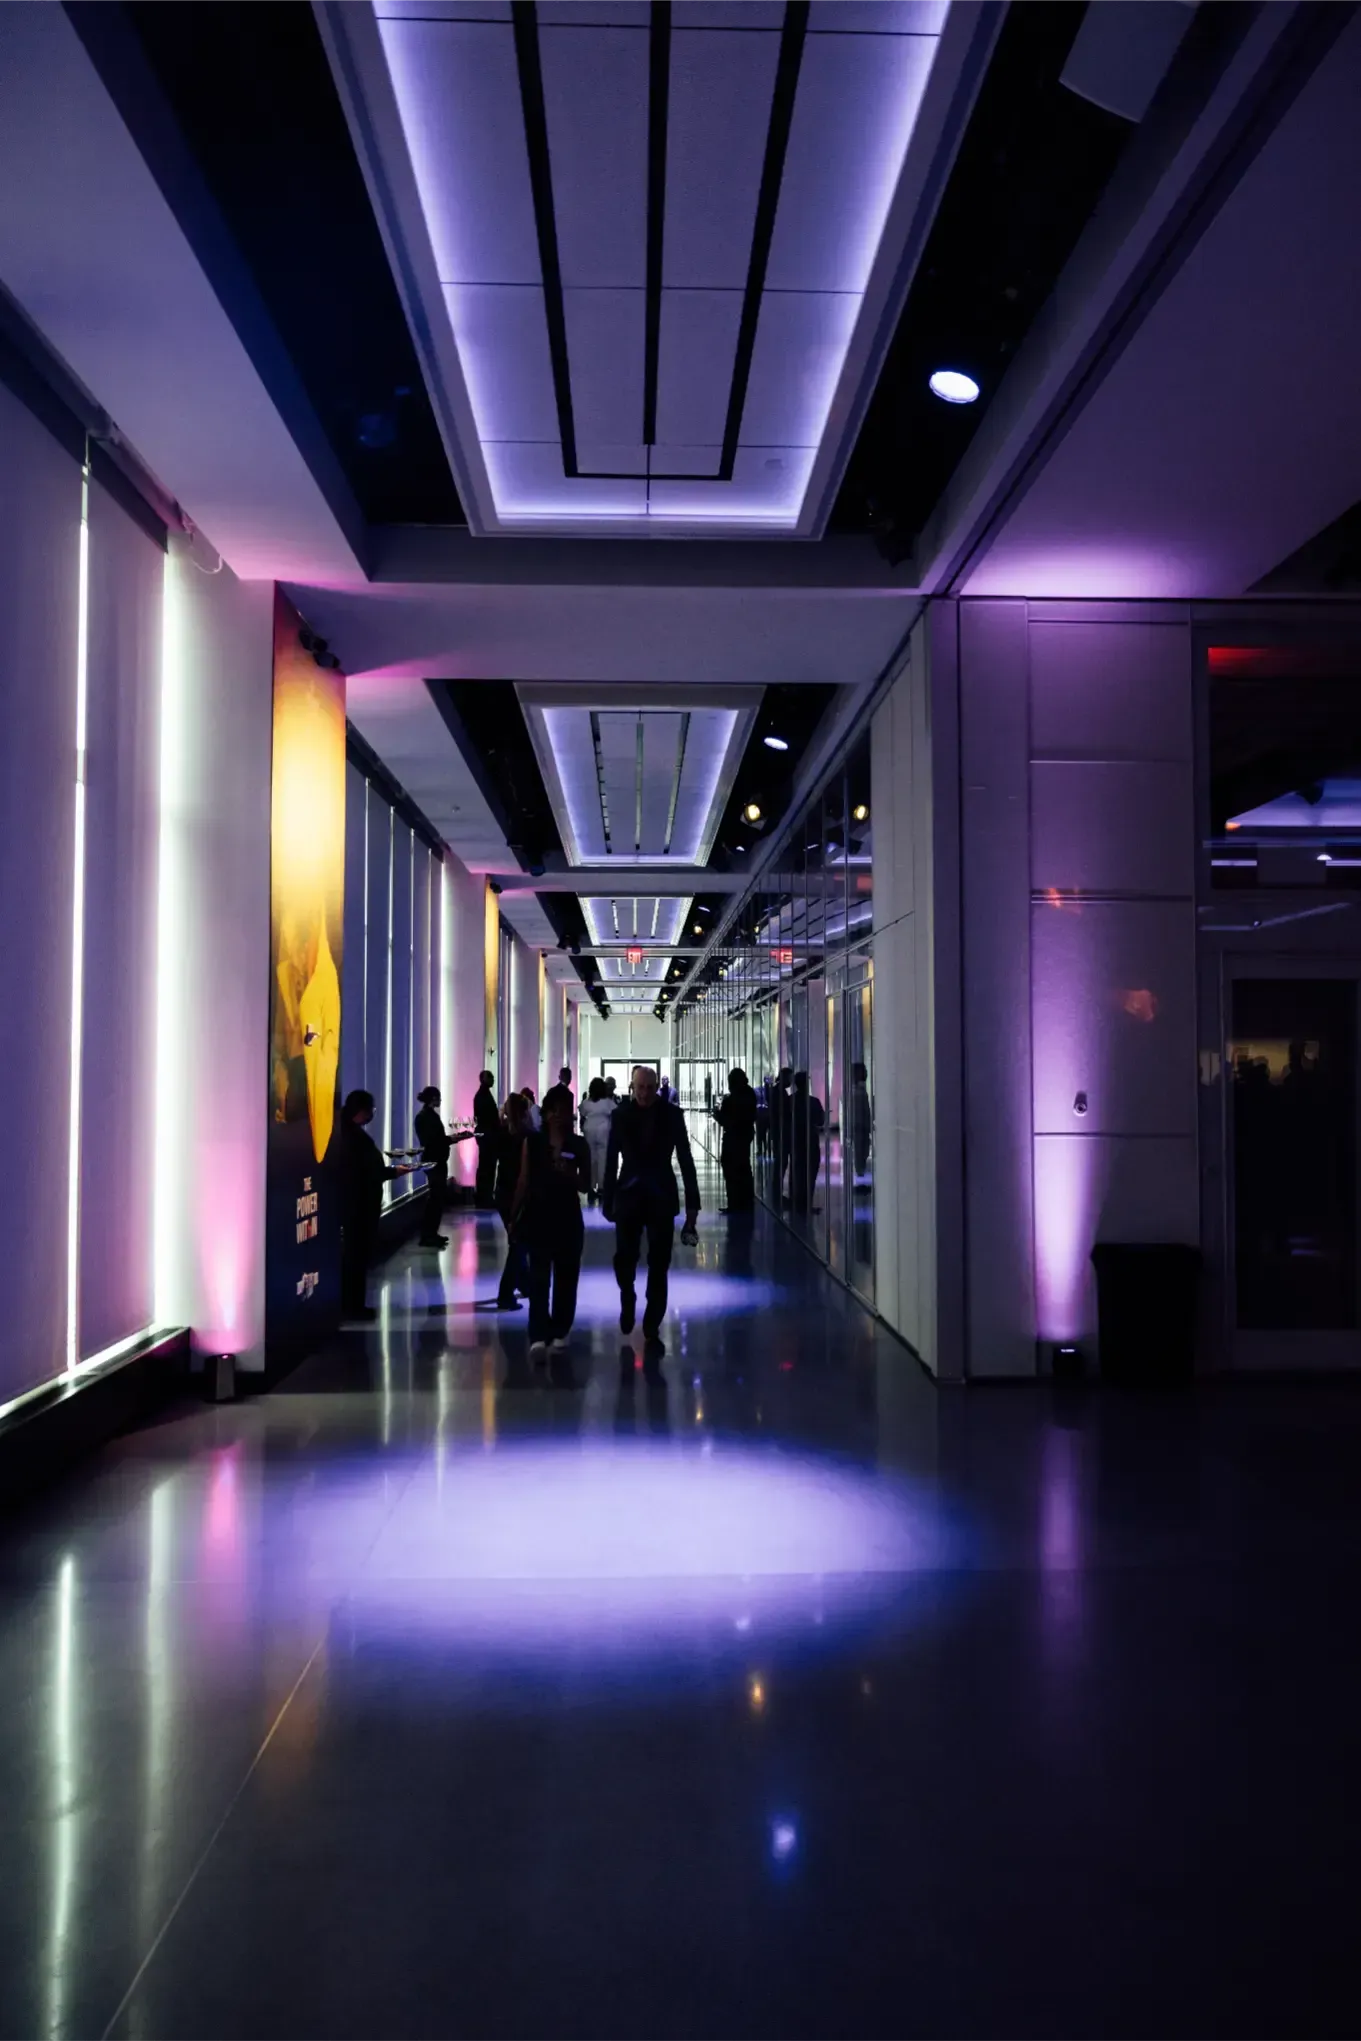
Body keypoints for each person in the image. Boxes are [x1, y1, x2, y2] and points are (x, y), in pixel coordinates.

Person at [602, 1063, 700, 1351]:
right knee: (625, 1257)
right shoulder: (620, 1115)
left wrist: (692, 1203)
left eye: (649, 1087)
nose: (644, 1093)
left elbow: (685, 1158)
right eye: (639, 1087)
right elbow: (610, 1161)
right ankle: (628, 1295)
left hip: (660, 1196)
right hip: (629, 1195)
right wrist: (608, 1199)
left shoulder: (672, 1116)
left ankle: (652, 1324)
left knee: (660, 1262)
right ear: (631, 1087)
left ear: (657, 1087)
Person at [514, 1083, 590, 1359]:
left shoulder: (579, 1144)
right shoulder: (533, 1143)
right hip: (539, 1217)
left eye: (566, 1111)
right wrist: (514, 1216)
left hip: (568, 1219)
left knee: (566, 1279)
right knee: (539, 1278)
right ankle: (538, 1333)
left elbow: (586, 1185)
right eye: (555, 1111)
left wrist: (570, 1172)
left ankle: (560, 1328)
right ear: (546, 1113)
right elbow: (523, 1180)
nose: (560, 1116)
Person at [339, 1090, 413, 1320]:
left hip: (354, 1206)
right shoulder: (353, 1138)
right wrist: (394, 1172)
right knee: (356, 1259)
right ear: (362, 1111)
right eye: (371, 1110)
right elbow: (369, 1172)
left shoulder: (345, 1133)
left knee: (355, 1258)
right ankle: (353, 1307)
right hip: (358, 1208)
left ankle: (352, 1305)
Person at [412, 1085, 469, 1249]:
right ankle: (428, 1234)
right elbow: (434, 1141)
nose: (440, 1100)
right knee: (435, 1199)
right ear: (433, 1099)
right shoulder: (426, 1117)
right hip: (434, 1161)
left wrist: (451, 1139)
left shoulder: (425, 1116)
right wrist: (452, 1139)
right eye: (438, 1098)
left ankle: (431, 1233)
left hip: (434, 1160)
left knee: (436, 1198)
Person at [494, 1094, 532, 1308]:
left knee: (517, 1239)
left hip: (502, 1191)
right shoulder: (525, 1136)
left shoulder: (503, 1133)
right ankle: (505, 1293)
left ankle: (525, 1284)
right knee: (519, 1244)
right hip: (516, 1192)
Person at [715, 1067, 757, 1215]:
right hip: (745, 1135)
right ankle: (746, 1201)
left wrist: (717, 1114)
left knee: (731, 1169)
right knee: (744, 1167)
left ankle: (734, 1203)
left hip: (733, 1137)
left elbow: (726, 1121)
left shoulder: (732, 1099)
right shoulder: (750, 1093)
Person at [789, 1070, 825, 1216]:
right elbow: (821, 1120)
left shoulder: (790, 1100)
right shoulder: (813, 1102)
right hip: (810, 1140)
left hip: (796, 1140)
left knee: (797, 1172)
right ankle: (806, 1204)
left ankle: (796, 1203)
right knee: (809, 1173)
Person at [580, 1076, 616, 1205]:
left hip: (589, 1130)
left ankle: (590, 1188)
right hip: (604, 1131)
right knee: (603, 1160)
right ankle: (601, 1187)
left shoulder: (587, 1103)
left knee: (591, 1160)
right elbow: (615, 1111)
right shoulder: (607, 1102)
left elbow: (582, 1113)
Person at [472, 1070, 500, 1207]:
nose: (493, 1080)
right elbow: (487, 1117)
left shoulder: (482, 1094)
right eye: (491, 1077)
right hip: (487, 1136)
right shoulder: (483, 1096)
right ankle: (484, 1197)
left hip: (486, 1135)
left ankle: (484, 1196)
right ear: (484, 1079)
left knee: (485, 1166)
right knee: (486, 1167)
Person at [850, 1060, 873, 1179]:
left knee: (862, 1150)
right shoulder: (857, 1092)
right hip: (859, 1126)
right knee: (860, 1151)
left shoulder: (859, 1091)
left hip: (860, 1126)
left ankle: (860, 1171)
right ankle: (860, 1172)